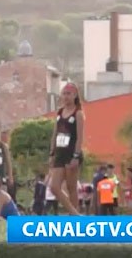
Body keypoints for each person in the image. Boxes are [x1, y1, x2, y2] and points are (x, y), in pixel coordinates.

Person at [47, 82, 84, 215]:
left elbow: (80, 137)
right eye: (64, 94)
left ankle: (73, 217)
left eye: (69, 94)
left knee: (71, 187)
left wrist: (76, 156)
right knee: (54, 187)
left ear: (75, 96)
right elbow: (55, 134)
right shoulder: (59, 112)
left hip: (71, 153)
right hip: (59, 153)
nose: (66, 96)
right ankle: (75, 213)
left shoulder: (78, 114)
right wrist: (51, 153)